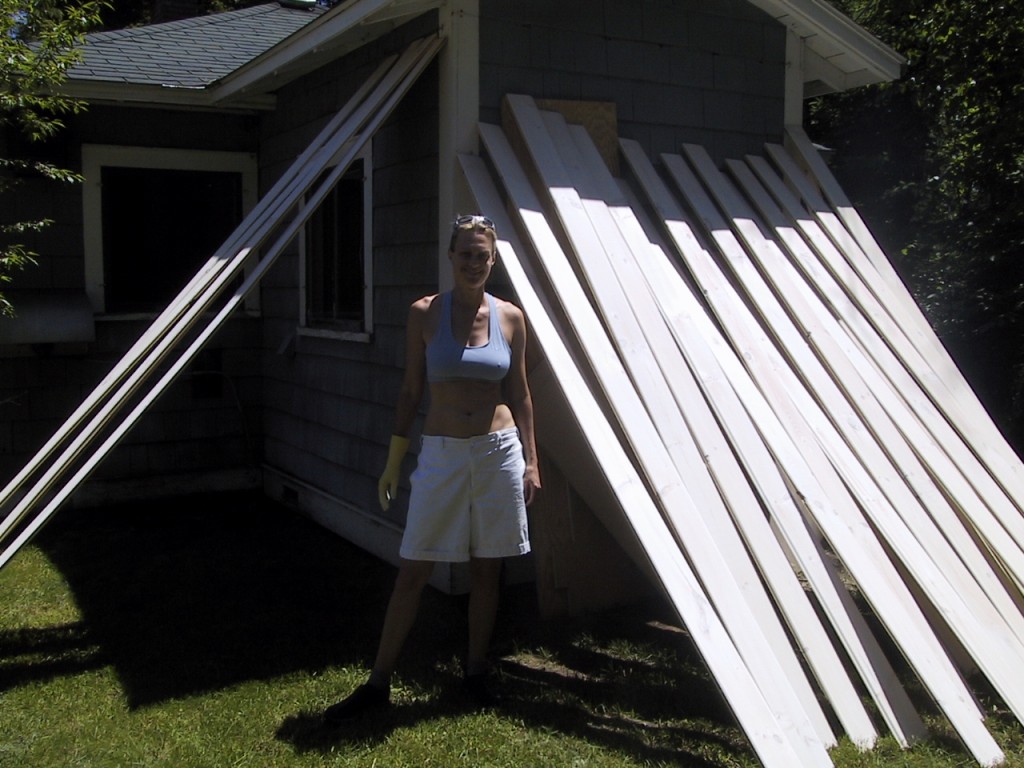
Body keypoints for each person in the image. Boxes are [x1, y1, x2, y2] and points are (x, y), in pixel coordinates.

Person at [324, 214, 541, 723]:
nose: (473, 262)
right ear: (450, 256)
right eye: (464, 252)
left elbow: (522, 394)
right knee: (415, 568)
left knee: (488, 566)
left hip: (497, 453)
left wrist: (531, 460)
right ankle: (378, 683)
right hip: (442, 454)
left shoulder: (511, 317)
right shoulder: (424, 313)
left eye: (482, 254)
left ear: (493, 260)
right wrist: (394, 461)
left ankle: (475, 672)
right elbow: (410, 391)